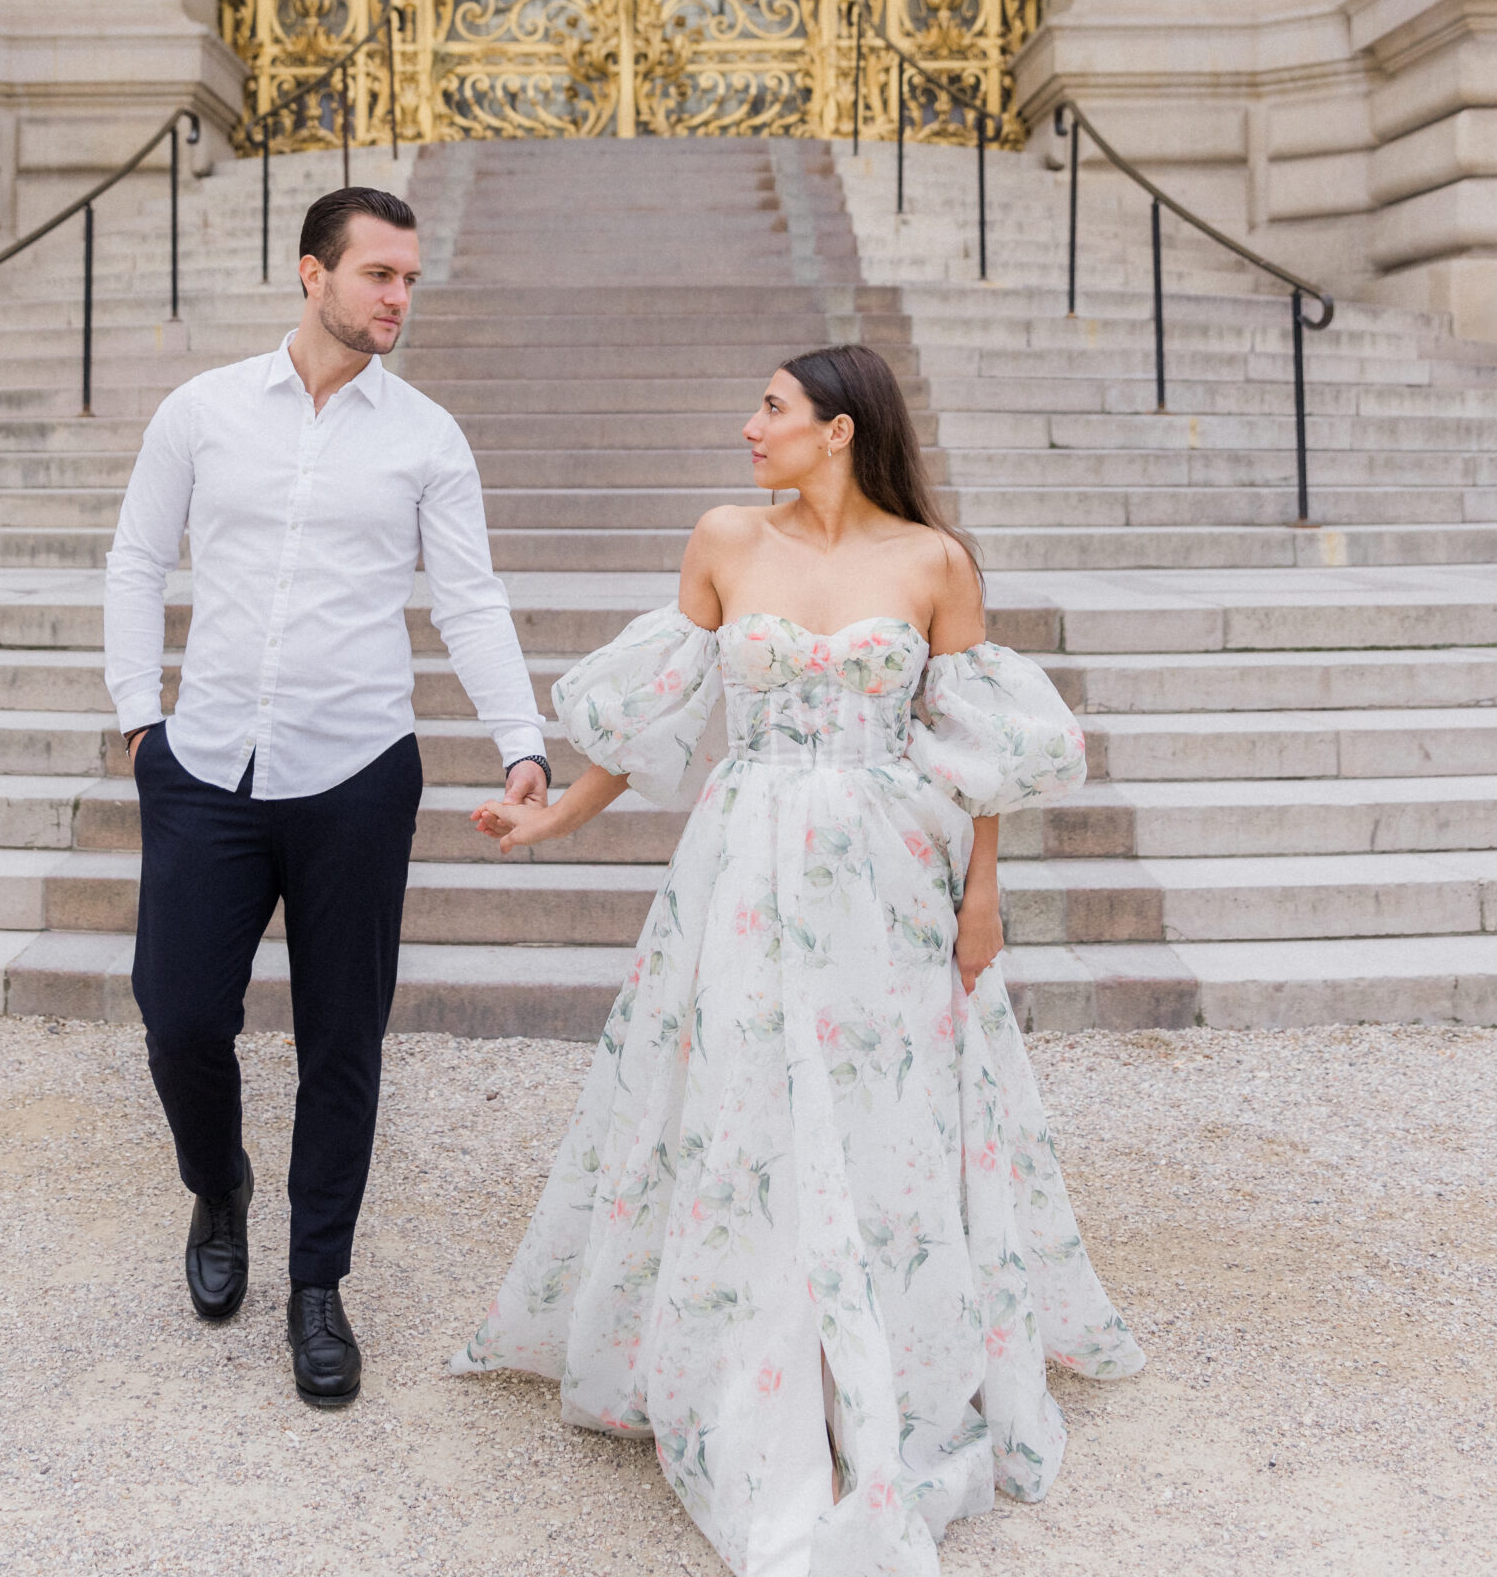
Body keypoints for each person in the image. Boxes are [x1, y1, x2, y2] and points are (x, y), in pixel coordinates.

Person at [455, 343, 1142, 1576]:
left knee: (887, 1107)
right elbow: (658, 711)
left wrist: (983, 895)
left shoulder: (936, 562)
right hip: (746, 860)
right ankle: (742, 1361)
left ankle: (866, 1362)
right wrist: (554, 816)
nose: (747, 425)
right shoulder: (726, 537)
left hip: (888, 871)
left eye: (770, 407)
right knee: (738, 1096)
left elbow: (975, 746)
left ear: (838, 429)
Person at [104, 184, 550, 1407]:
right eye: (379, 275)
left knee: (342, 1036)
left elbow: (469, 598)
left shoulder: (427, 438)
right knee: (179, 1012)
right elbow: (140, 559)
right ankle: (219, 1184)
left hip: (356, 768)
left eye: (410, 278)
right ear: (313, 274)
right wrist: (141, 719)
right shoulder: (201, 413)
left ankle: (316, 1286)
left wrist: (521, 738)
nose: (400, 297)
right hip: (205, 766)